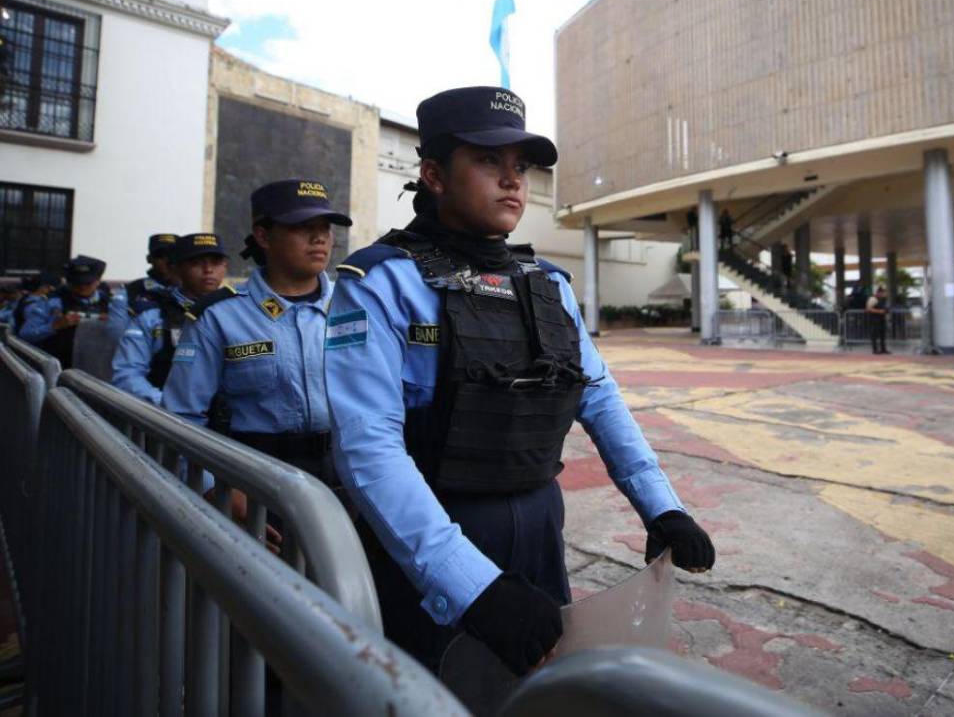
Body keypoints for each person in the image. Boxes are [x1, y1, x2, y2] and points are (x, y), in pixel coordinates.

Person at [324, 86, 715, 678]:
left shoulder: (548, 283)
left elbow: (600, 397)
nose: (512, 181)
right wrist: (470, 584)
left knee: (537, 689)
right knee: (426, 690)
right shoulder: (379, 282)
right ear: (433, 174)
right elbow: (367, 447)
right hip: (428, 530)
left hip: (538, 522)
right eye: (488, 162)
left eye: (521, 167)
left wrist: (662, 507)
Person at [162, 180, 352, 507]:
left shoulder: (355, 305)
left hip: (349, 474)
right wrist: (215, 487)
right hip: (256, 481)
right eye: (302, 227)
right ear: (263, 236)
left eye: (325, 227)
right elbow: (180, 419)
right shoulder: (219, 317)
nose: (320, 237)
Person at [112, 233, 229, 406]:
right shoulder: (153, 317)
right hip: (170, 421)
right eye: (197, 263)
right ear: (177, 269)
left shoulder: (239, 313)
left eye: (216, 262)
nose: (208, 270)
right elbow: (127, 375)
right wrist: (169, 405)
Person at [19, 256, 112, 366]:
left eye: (87, 283)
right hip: (60, 367)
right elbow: (25, 335)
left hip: (96, 368)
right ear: (69, 282)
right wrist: (54, 326)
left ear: (98, 281)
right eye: (77, 283)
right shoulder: (51, 302)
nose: (82, 287)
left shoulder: (111, 304)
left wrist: (113, 324)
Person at [111, 233, 179, 336]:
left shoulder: (193, 292)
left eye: (172, 256)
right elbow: (117, 335)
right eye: (160, 256)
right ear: (149, 259)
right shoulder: (130, 292)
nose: (167, 261)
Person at [866, 285, 889, 354]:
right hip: (874, 320)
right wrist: (879, 311)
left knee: (883, 335)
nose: (883, 294)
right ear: (878, 292)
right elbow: (868, 309)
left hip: (882, 319)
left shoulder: (883, 299)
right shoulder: (873, 299)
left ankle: (883, 349)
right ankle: (875, 350)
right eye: (882, 293)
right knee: (874, 335)